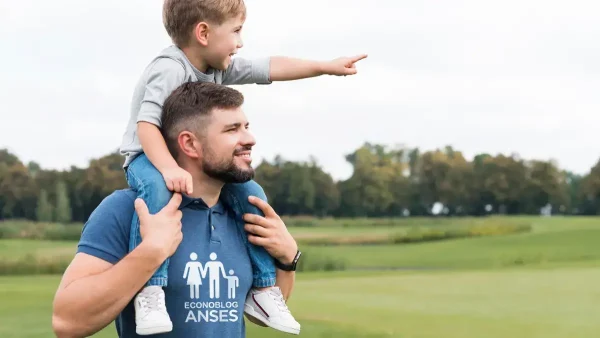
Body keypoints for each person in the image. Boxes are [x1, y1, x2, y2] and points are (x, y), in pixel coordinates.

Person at [118, 0, 366, 334]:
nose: (241, 41)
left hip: (182, 158)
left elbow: (268, 68)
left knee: (252, 193)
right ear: (203, 33)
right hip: (147, 156)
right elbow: (146, 125)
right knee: (159, 191)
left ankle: (264, 289)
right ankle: (151, 290)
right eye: (236, 30)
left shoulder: (216, 67)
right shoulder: (170, 68)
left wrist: (323, 66)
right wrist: (167, 168)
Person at [52, 82, 303, 337]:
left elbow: (258, 314)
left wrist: (288, 260)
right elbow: (68, 322)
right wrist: (151, 253)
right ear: (190, 144)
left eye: (246, 127)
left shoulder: (246, 213)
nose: (250, 139)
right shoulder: (127, 210)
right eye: (232, 130)